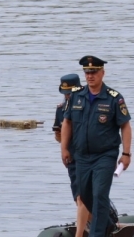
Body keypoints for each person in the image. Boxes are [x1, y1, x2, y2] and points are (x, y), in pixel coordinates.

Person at [61, 56, 132, 237]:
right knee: (84, 196)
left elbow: (125, 126)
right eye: (87, 72)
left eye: (94, 72)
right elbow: (67, 122)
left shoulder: (114, 98)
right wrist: (64, 148)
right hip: (82, 156)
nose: (90, 76)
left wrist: (126, 153)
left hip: (105, 156)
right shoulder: (77, 96)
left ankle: (97, 233)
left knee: (100, 194)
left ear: (102, 73)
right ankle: (107, 224)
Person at [52, 73, 91, 236]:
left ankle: (81, 233)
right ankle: (93, 225)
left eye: (70, 93)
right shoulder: (61, 109)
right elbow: (57, 134)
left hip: (89, 157)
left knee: (84, 198)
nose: (67, 96)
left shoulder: (88, 105)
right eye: (65, 93)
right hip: (72, 159)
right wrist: (64, 146)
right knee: (78, 198)